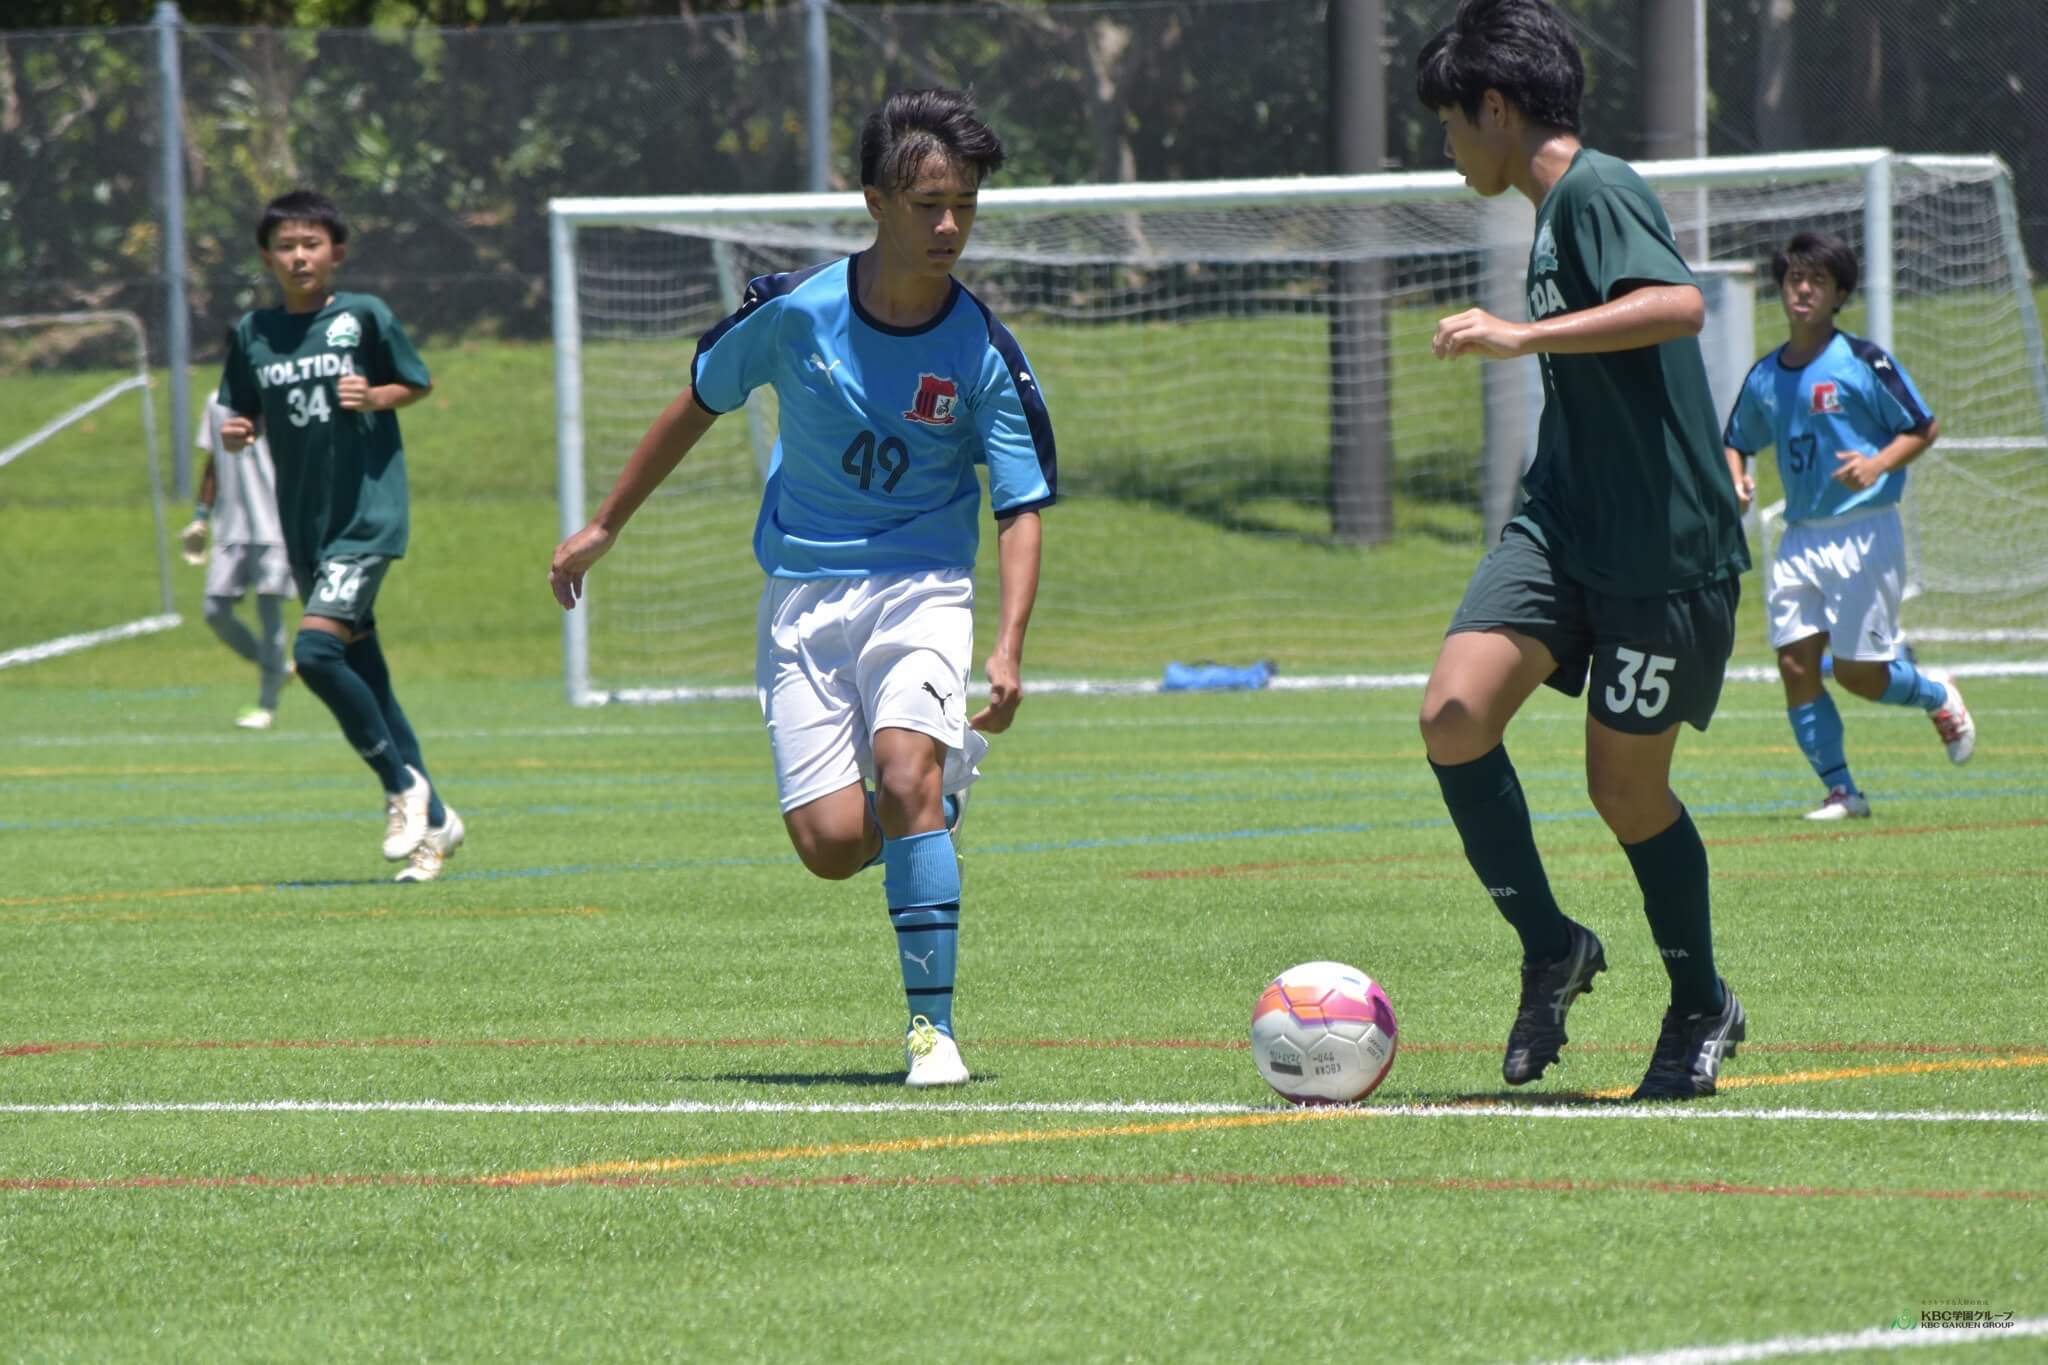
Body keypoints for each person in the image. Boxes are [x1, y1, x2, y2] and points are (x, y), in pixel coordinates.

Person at [549, 88, 1054, 1088]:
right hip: (802, 596)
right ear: (875, 201)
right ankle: (934, 810)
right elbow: (697, 402)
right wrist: (604, 525)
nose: (949, 226)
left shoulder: (983, 350)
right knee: (827, 845)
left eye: (964, 204)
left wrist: (1006, 645)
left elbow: (1021, 504)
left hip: (921, 588)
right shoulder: (793, 314)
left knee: (903, 773)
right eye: (929, 205)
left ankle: (932, 1031)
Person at [1413, 0, 1749, 1100]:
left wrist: (1519, 335)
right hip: (1561, 524)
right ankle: (1552, 947)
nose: (1446, 145)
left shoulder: (1596, 189)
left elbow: (1678, 306)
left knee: (1625, 793)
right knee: (1453, 715)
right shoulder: (1548, 212)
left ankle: (1699, 1001)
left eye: (1449, 123)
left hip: (1662, 550)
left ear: (1496, 107)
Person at [216, 189, 464, 883]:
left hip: (366, 518)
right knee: (369, 680)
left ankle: (400, 786)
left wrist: (376, 396)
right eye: (285, 246)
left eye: (312, 244)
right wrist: (239, 432)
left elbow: (416, 381)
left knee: (316, 652)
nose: (299, 256)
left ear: (337, 252)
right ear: (267, 257)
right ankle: (437, 823)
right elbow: (242, 412)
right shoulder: (255, 331)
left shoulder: (363, 316)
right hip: (306, 530)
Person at [1723, 231, 1976, 821]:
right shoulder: (1765, 376)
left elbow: (1923, 427)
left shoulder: (1864, 362)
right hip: (1799, 537)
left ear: (1839, 294)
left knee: (1860, 674)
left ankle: (1936, 693)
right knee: (1795, 665)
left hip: (1865, 532)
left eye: (1818, 281)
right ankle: (1843, 792)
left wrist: (1876, 464)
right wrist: (1737, 479)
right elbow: (1735, 440)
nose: (1803, 290)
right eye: (1794, 279)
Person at [179, 397, 294, 729]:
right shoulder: (217, 402)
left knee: (269, 614)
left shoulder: (278, 393)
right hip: (230, 528)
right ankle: (276, 668)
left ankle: (267, 706)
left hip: (275, 525)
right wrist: (200, 517)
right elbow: (213, 460)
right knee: (214, 611)